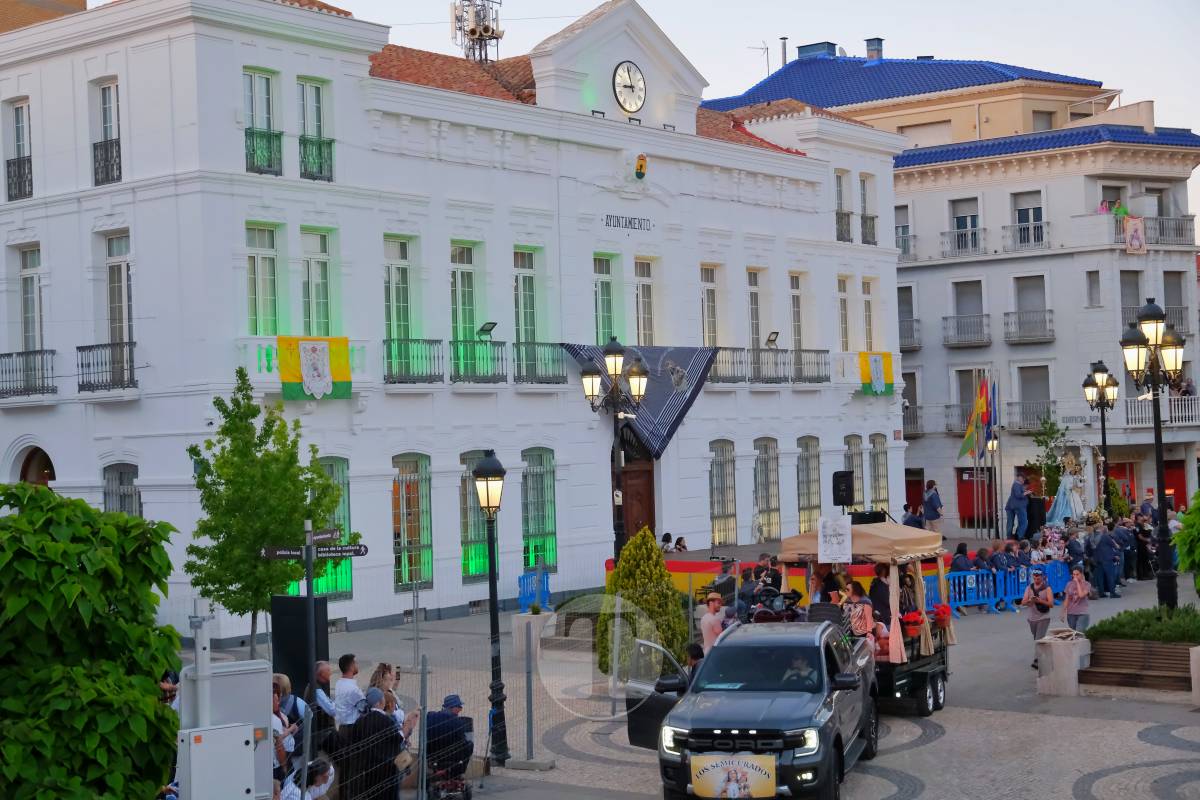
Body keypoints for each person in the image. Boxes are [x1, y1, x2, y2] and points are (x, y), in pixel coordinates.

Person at [332, 687, 404, 800]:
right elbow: (398, 739)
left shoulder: (360, 721)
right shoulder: (386, 720)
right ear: (379, 702)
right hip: (386, 769)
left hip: (366, 770)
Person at [425, 694, 474, 778]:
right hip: (451, 755)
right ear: (453, 707)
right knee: (469, 745)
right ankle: (459, 773)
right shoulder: (458, 723)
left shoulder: (430, 717)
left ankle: (435, 770)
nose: (460, 709)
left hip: (432, 753)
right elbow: (462, 741)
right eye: (459, 707)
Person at [1021, 569, 1055, 669]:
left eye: (1038, 578)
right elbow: (1023, 602)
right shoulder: (1029, 588)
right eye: (1034, 578)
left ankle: (1037, 660)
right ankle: (1046, 654)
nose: (1036, 580)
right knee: (1037, 639)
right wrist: (1030, 601)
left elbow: (1051, 604)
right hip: (1032, 618)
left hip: (1044, 617)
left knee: (1038, 639)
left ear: (1042, 577)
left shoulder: (1047, 588)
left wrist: (1040, 600)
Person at [274, 674, 309, 769]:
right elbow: (309, 716)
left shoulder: (295, 702)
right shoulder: (297, 701)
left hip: (290, 747)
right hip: (293, 747)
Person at [271, 684, 299, 782]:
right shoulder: (273, 719)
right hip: (277, 763)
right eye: (276, 700)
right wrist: (284, 765)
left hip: (282, 758)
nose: (278, 702)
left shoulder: (277, 715)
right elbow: (279, 746)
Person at [305, 661, 337, 743]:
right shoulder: (316, 690)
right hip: (323, 735)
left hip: (323, 734)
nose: (331, 673)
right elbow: (332, 710)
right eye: (328, 670)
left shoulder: (316, 687)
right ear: (321, 674)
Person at [334, 654, 364, 727]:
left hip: (342, 726)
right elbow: (364, 708)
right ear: (351, 667)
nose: (357, 665)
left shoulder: (339, 683)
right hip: (353, 727)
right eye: (355, 663)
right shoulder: (353, 689)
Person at [1091, 524, 1121, 598]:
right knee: (1110, 576)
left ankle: (1101, 592)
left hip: (1097, 559)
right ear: (1101, 528)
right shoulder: (1105, 536)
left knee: (1100, 577)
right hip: (1107, 558)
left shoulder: (1091, 536)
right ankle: (1112, 592)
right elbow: (1114, 545)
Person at [1061, 566, 1092, 632]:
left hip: (1082, 613)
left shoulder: (1087, 584)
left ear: (1081, 574)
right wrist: (1063, 612)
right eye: (1073, 574)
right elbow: (1067, 599)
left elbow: (1081, 595)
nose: (1075, 576)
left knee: (1079, 632)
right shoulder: (1069, 584)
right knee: (1073, 633)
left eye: (1077, 574)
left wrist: (1077, 582)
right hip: (1071, 613)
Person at [1005, 475, 1031, 540]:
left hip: (1011, 507)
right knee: (1023, 522)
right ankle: (1019, 537)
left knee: (1011, 523)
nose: (1023, 480)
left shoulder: (1017, 485)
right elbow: (1018, 495)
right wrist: (1026, 493)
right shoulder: (1017, 485)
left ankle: (1010, 538)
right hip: (1018, 506)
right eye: (1023, 479)